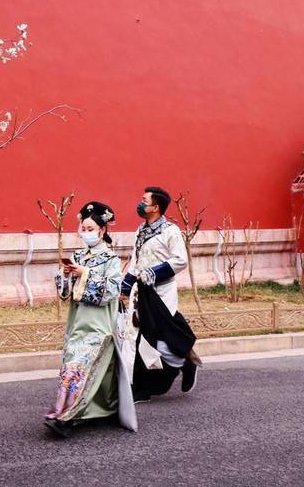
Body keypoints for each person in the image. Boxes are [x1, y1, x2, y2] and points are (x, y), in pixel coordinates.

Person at [44, 201, 123, 438]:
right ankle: (75, 410)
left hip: (98, 326)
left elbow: (111, 291)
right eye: (83, 228)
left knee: (81, 368)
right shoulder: (77, 256)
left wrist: (84, 274)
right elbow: (65, 291)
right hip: (78, 323)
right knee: (72, 366)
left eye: (90, 229)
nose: (85, 233)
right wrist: (67, 275)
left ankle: (67, 416)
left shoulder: (111, 260)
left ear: (102, 231)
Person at [120, 186, 201, 402]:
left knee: (157, 337)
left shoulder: (170, 231)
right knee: (139, 337)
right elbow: (135, 261)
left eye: (144, 200)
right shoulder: (141, 230)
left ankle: (184, 362)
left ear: (155, 207)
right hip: (141, 294)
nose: (140, 203)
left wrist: (152, 273)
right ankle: (141, 388)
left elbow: (180, 260)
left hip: (161, 293)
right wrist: (125, 288)